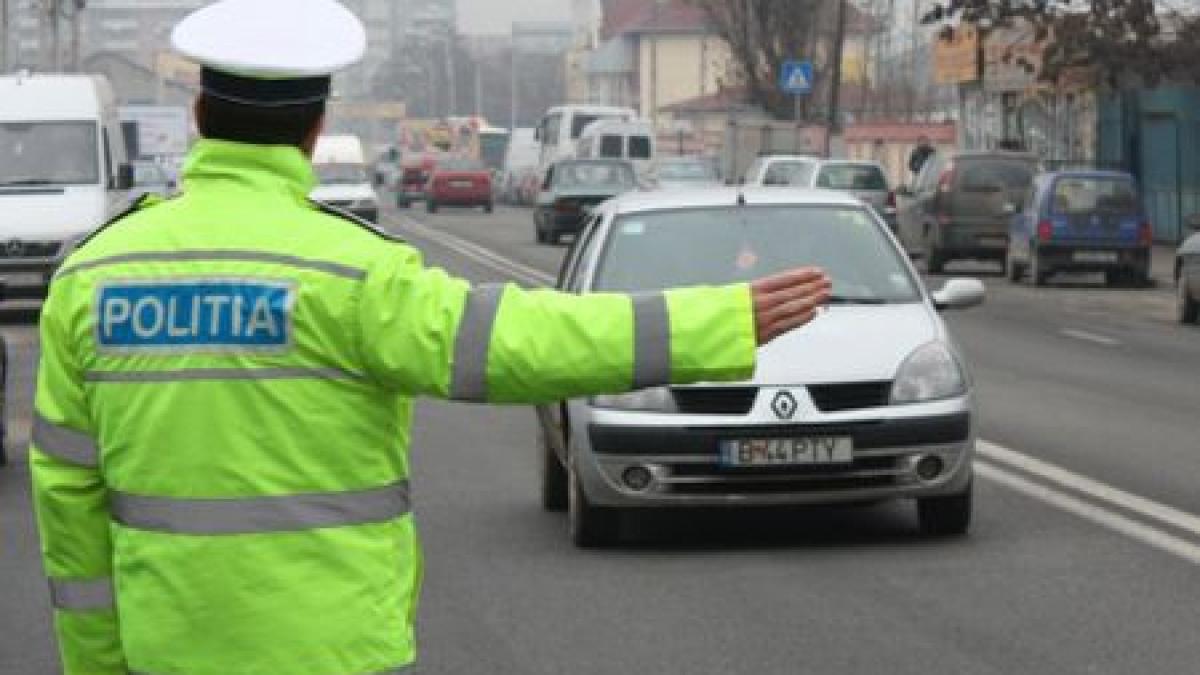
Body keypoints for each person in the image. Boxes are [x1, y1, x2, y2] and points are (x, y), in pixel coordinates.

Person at [27, 1, 832, 673]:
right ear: (315, 129)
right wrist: (715, 320)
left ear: (200, 116)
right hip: (335, 652)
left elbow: (68, 499)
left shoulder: (91, 279)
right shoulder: (355, 274)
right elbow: (522, 340)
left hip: (167, 653)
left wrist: (100, 663)